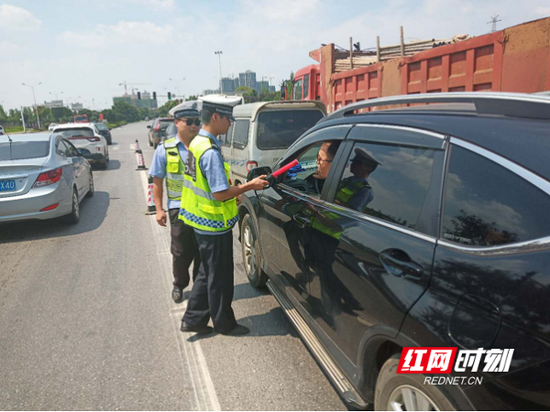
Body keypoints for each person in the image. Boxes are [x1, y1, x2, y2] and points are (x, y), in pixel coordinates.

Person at [179, 100, 269, 336]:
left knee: (206, 273)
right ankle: (224, 324)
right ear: (216, 117)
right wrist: (249, 186)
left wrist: (233, 195)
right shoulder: (208, 151)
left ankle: (193, 319)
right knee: (219, 278)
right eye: (229, 119)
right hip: (213, 225)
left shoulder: (196, 143)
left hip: (199, 220)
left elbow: (205, 185)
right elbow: (219, 193)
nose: (230, 124)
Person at [149, 101, 202, 303]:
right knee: (180, 252)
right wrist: (159, 209)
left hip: (201, 209)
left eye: (197, 121)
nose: (194, 126)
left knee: (201, 251)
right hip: (178, 209)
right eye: (189, 121)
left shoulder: (204, 146)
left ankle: (199, 286)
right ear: (177, 122)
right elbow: (157, 181)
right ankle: (179, 284)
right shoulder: (166, 149)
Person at [334, 147, 379, 212]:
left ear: (369, 168)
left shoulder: (365, 190)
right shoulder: (347, 180)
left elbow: (351, 212)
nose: (352, 164)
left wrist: (332, 201)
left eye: (357, 162)